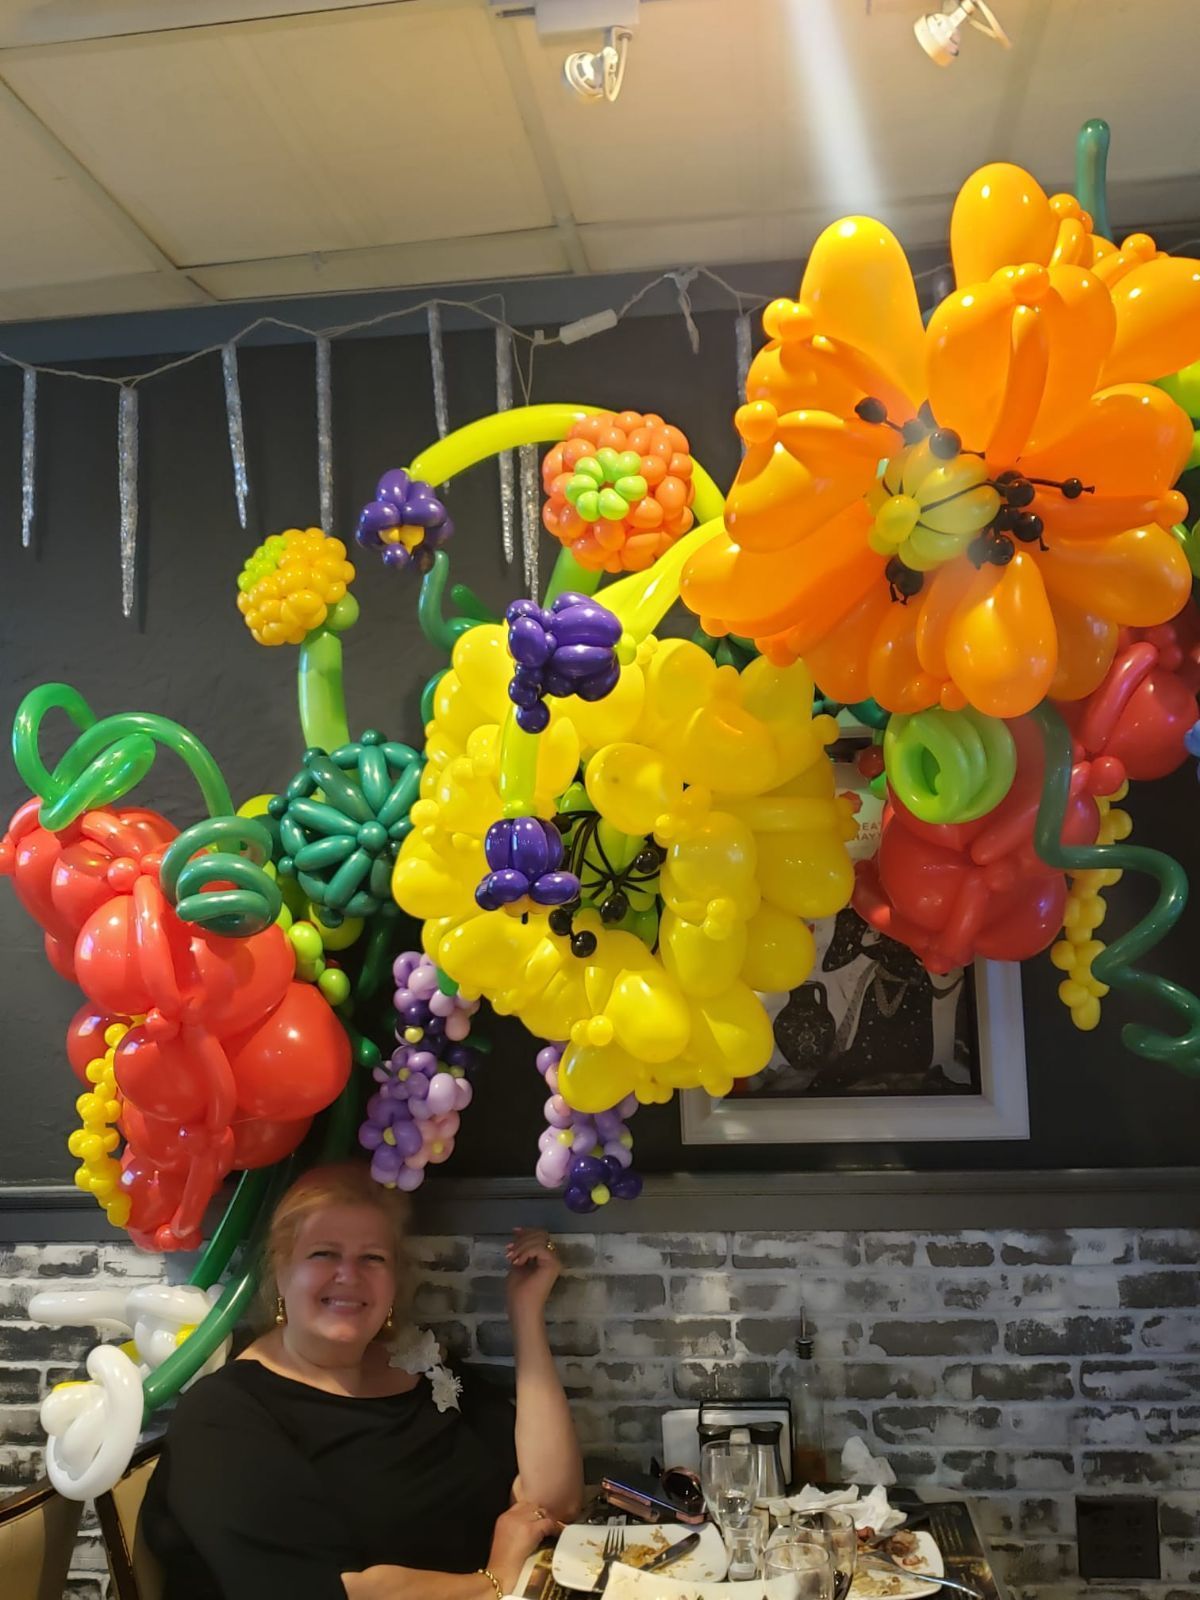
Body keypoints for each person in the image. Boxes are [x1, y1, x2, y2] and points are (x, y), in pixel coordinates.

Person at [142, 1162, 583, 1600]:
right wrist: (493, 1580)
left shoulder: (418, 1367)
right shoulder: (223, 1416)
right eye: (323, 1253)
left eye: (372, 1257)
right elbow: (328, 1592)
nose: (349, 1276)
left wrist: (525, 1313)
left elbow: (553, 1502)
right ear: (280, 1270)